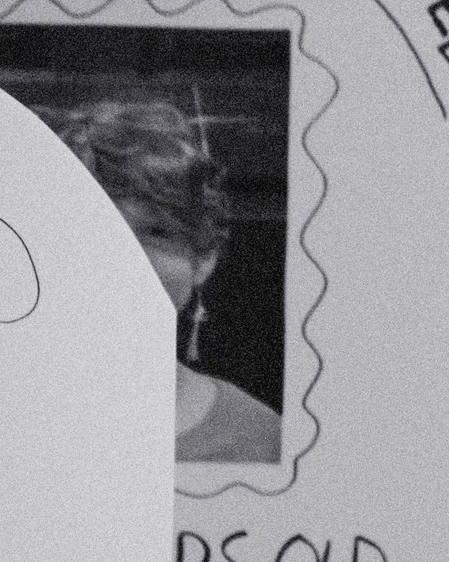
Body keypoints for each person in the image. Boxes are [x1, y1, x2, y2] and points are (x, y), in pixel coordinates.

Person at [40, 97, 281, 464]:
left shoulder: (262, 441)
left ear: (203, 258)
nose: (125, 258)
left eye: (156, 231)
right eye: (95, 229)